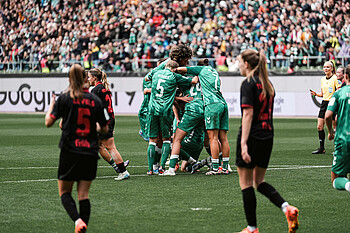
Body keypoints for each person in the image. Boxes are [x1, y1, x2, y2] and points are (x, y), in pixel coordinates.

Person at [236, 49, 299, 233]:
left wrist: (243, 144)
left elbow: (248, 115)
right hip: (267, 136)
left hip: (253, 136)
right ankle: (287, 208)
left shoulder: (247, 84)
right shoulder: (267, 83)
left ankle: (252, 228)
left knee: (246, 184)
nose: (238, 65)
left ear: (247, 64)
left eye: (239, 61)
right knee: (259, 181)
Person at [45, 64, 110, 233]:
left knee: (65, 193)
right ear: (85, 79)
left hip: (69, 151)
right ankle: (82, 226)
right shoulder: (95, 100)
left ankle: (77, 221)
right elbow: (104, 128)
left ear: (69, 79)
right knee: (84, 195)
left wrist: (52, 103)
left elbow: (48, 122)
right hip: (89, 151)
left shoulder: (65, 98)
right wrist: (92, 127)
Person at [176, 59, 230, 175]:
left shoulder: (202, 70)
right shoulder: (214, 72)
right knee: (223, 138)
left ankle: (215, 168)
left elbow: (182, 69)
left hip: (211, 104)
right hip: (222, 103)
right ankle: (225, 167)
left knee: (212, 138)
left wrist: (170, 69)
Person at [145, 60, 198, 175]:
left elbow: (146, 79)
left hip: (152, 109)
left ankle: (150, 169)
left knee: (152, 140)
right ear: (174, 69)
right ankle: (161, 167)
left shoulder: (156, 73)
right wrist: (199, 73)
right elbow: (193, 81)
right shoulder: (175, 76)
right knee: (166, 139)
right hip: (165, 110)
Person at [88, 68, 130, 180]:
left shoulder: (95, 90)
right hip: (108, 119)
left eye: (89, 77)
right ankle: (117, 167)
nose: (88, 79)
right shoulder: (104, 88)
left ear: (94, 78)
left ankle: (123, 171)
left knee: (111, 148)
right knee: (98, 146)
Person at [325, 64, 350, 194]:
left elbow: (328, 115)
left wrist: (330, 132)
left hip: (344, 139)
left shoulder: (340, 93)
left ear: (345, 76)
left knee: (336, 179)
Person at [310, 61, 340, 154]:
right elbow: (323, 94)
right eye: (324, 67)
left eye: (328, 67)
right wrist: (316, 94)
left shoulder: (335, 78)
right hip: (324, 103)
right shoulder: (322, 79)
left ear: (331, 68)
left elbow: (339, 91)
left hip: (333, 103)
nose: (326, 69)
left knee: (335, 127)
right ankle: (321, 148)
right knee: (319, 126)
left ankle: (337, 148)